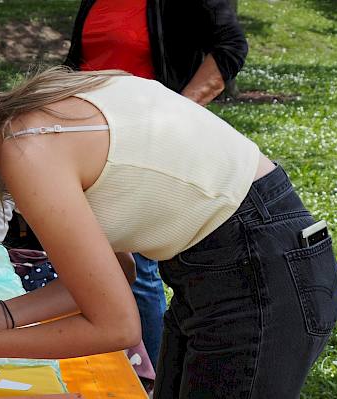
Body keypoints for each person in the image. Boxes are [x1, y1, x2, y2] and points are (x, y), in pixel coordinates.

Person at [0, 1, 337, 397]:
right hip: (230, 264)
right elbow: (114, 274)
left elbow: (117, 325)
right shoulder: (32, 121)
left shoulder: (27, 151)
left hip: (260, 266)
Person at [60, 0, 249, 369]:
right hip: (87, 145)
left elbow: (230, 47)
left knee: (139, 271)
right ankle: (113, 369)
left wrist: (178, 113)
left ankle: (149, 374)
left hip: (143, 148)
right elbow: (75, 64)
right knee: (102, 262)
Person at [64, 0, 248, 106]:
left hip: (148, 129)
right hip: (87, 126)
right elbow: (76, 62)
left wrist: (182, 110)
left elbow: (231, 44)